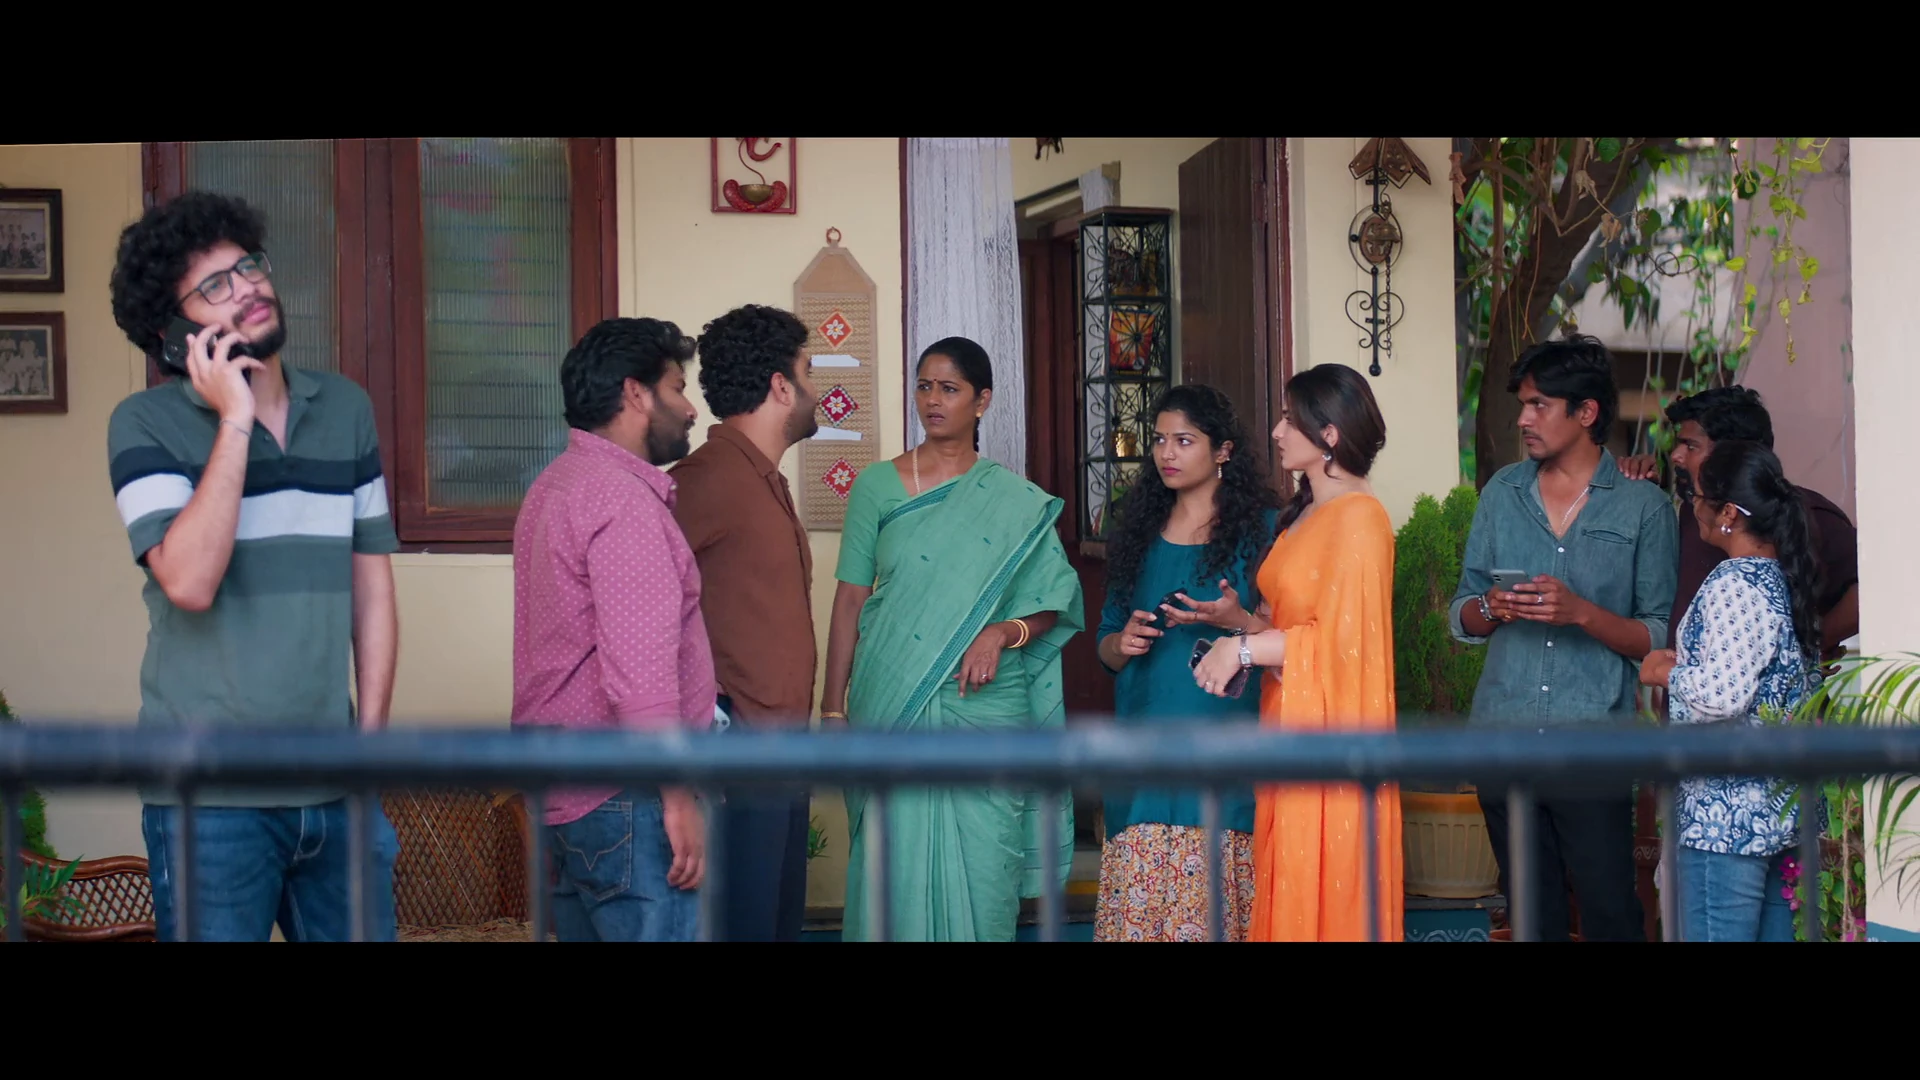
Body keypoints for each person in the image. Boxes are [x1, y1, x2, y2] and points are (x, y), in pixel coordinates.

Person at [106, 191, 402, 941]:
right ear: (174, 333)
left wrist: (369, 749)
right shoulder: (144, 424)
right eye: (215, 285)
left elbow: (371, 592)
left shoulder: (346, 408)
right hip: (207, 799)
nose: (246, 288)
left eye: (249, 267)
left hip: (337, 789)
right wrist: (235, 418)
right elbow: (189, 581)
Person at [820, 336, 1086, 941]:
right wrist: (833, 709)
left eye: (949, 388)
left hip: (984, 706)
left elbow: (1054, 603)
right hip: (890, 698)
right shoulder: (876, 486)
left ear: (982, 400)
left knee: (985, 871)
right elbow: (850, 600)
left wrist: (1001, 632)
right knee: (891, 862)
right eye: (924, 386)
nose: (932, 400)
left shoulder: (1015, 502)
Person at [1447, 333, 1678, 942]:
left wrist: (1581, 613)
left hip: (1593, 743)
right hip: (1502, 737)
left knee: (1610, 913)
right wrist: (1491, 607)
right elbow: (1461, 613)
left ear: (1586, 412)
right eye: (1523, 405)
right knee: (1531, 916)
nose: (1524, 419)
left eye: (1539, 405)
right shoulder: (1501, 494)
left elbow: (1657, 635)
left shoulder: (1643, 508)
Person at [511, 317, 712, 942]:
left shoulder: (555, 484)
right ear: (636, 393)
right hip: (626, 794)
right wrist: (676, 796)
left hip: (563, 793)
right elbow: (639, 673)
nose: (691, 409)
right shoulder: (622, 500)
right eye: (678, 388)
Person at [1193, 362, 1403, 942]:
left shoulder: (1360, 519)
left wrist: (1242, 650)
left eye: (1290, 419)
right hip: (1287, 722)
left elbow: (1344, 647)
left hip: (1332, 734)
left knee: (1321, 885)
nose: (1277, 432)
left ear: (1329, 434)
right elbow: (1293, 624)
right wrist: (1240, 625)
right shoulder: (1306, 512)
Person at [1093, 385, 1280, 942]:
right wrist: (1122, 641)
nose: (1166, 453)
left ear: (1223, 450)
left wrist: (1235, 620)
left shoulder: (1264, 531)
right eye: (1158, 441)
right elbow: (1105, 643)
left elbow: (1291, 641)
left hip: (1228, 752)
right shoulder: (1137, 532)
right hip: (1144, 749)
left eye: (1184, 440)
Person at [670, 303, 820, 942]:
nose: (817, 389)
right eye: (808, 372)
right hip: (734, 755)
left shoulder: (763, 480)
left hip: (781, 751)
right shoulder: (705, 480)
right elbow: (640, 610)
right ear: (781, 386)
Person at [1637, 440, 1820, 941]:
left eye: (1697, 496)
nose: (1692, 507)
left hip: (1725, 819)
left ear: (1729, 514)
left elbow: (1722, 696)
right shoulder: (1780, 577)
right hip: (1777, 812)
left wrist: (1661, 673)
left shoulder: (1734, 583)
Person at [1617, 386, 1858, 665]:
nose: (1676, 455)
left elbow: (1872, 590)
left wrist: (1806, 646)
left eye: (1691, 446)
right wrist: (1641, 491)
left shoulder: (1804, 512)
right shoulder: (1694, 509)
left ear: (1732, 454)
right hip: (1686, 688)